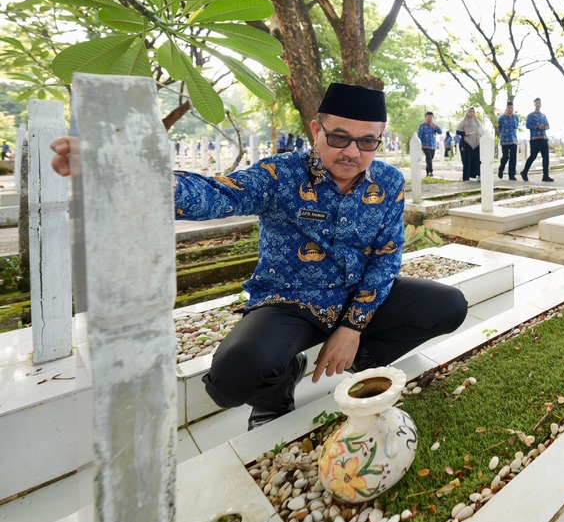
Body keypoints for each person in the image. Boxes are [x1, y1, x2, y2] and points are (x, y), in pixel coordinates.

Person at [50, 82, 469, 429]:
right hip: (289, 301)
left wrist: (353, 327)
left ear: (379, 139)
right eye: (339, 136)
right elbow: (217, 195)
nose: (352, 152)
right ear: (316, 129)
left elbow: (386, 257)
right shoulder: (281, 174)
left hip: (355, 295)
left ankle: (359, 361)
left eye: (367, 141)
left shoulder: (388, 181)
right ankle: (278, 386)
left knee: (448, 306)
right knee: (232, 380)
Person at [521, 97, 553, 182]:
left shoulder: (543, 116)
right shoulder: (530, 116)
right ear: (534, 104)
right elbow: (528, 125)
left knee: (546, 157)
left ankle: (545, 176)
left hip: (543, 138)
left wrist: (545, 127)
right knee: (533, 156)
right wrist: (538, 127)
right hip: (535, 139)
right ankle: (524, 172)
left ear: (541, 104)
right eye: (536, 103)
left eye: (539, 103)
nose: (538, 104)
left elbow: (548, 126)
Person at [455, 107, 483, 181]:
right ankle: (466, 177)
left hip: (477, 143)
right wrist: (464, 133)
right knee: (467, 160)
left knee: (477, 160)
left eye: (473, 112)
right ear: (467, 112)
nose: (471, 113)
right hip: (466, 142)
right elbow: (458, 131)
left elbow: (481, 131)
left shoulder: (477, 122)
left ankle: (478, 175)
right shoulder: (464, 121)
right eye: (470, 111)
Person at [496, 101, 520, 180]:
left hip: (513, 140)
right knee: (505, 157)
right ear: (506, 108)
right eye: (509, 107)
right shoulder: (502, 118)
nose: (510, 109)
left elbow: (515, 127)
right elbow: (500, 128)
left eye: (511, 108)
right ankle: (501, 169)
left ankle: (511, 175)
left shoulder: (516, 118)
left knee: (513, 158)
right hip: (505, 140)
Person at [417, 112, 441, 177]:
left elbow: (440, 132)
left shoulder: (434, 126)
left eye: (431, 117)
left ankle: (429, 170)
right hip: (425, 145)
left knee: (431, 158)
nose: (429, 118)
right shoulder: (422, 126)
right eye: (428, 117)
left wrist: (436, 127)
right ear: (425, 118)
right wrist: (420, 145)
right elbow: (419, 135)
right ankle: (429, 172)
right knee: (429, 158)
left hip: (433, 145)